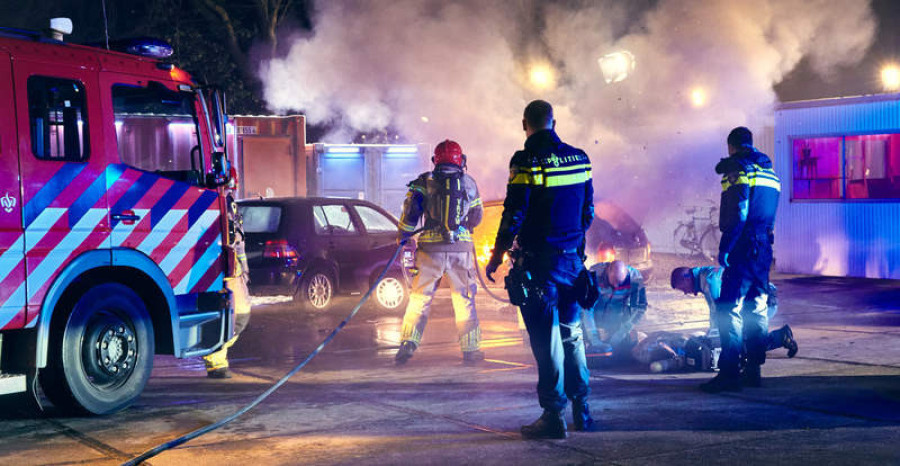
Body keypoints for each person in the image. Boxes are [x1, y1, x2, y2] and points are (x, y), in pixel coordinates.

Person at [486, 100, 595, 439]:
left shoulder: (526, 160)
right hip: (572, 263)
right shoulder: (580, 157)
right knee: (572, 335)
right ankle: (583, 410)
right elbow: (588, 211)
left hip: (540, 265)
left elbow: (514, 212)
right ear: (554, 122)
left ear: (524, 125)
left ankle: (553, 416)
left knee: (548, 342)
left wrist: (499, 252)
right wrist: (573, 241)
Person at [703, 126, 781, 392]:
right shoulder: (771, 173)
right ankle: (753, 370)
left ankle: (728, 373)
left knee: (728, 309)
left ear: (731, 147)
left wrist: (725, 247)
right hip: (763, 250)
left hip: (743, 247)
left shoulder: (739, 170)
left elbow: (738, 212)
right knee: (756, 307)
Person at [395, 140, 485, 365]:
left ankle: (408, 343)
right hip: (461, 250)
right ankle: (471, 350)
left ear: (435, 160)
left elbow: (409, 217)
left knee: (420, 298)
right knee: (464, 300)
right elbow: (477, 217)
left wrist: (402, 238)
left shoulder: (423, 182)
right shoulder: (470, 183)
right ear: (460, 160)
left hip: (430, 251)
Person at [670, 266, 798, 359]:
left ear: (686, 279)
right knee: (739, 339)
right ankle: (780, 337)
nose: (686, 292)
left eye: (683, 289)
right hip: (757, 298)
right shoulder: (705, 276)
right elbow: (715, 312)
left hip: (763, 300)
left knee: (742, 344)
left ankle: (781, 337)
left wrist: (715, 336)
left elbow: (721, 311)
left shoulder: (709, 281)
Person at [203, 193, 252, 378]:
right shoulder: (215, 201)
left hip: (233, 273)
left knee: (237, 318)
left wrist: (244, 270)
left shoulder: (227, 203)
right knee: (234, 318)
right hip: (223, 273)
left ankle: (216, 360)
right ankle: (216, 361)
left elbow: (239, 245)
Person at [582, 260, 647, 356]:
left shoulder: (635, 278)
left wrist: (622, 331)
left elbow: (639, 309)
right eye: (614, 281)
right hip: (594, 316)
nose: (616, 287)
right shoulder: (594, 275)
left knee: (625, 348)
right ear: (607, 271)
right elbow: (586, 308)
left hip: (616, 318)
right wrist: (593, 336)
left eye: (620, 283)